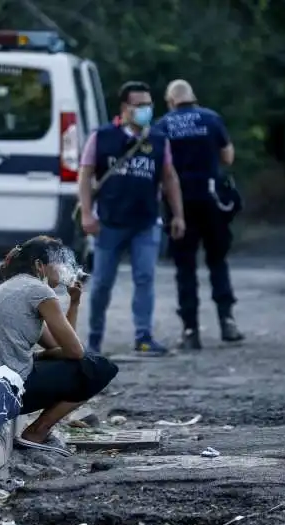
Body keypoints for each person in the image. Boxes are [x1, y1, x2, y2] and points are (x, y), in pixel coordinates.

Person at [0, 236, 119, 455]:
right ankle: (38, 431)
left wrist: (74, 303)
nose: (63, 269)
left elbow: (58, 346)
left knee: (84, 361)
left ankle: (38, 430)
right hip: (9, 391)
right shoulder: (39, 292)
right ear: (39, 266)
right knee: (99, 367)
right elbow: (75, 351)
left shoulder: (17, 287)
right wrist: (47, 355)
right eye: (58, 262)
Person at [78, 81, 186, 355]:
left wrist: (178, 215)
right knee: (101, 283)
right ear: (125, 108)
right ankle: (93, 340)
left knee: (145, 278)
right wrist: (88, 213)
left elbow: (169, 177)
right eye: (140, 105)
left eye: (149, 104)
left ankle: (143, 337)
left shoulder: (159, 138)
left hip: (146, 223)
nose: (146, 110)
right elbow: (85, 174)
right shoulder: (102, 137)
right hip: (110, 222)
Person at [153, 80, 244, 350]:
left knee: (185, 267)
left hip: (178, 204)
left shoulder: (163, 125)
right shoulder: (211, 118)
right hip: (212, 200)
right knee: (217, 260)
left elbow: (160, 167)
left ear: (171, 101)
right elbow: (227, 157)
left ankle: (191, 330)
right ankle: (227, 322)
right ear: (193, 97)